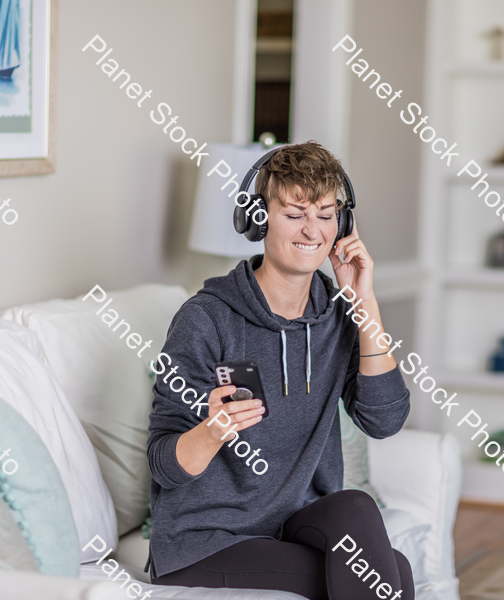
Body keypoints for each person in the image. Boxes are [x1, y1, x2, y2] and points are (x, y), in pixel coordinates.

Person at [146, 141, 413, 600]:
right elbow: (164, 464)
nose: (313, 230)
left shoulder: (338, 313)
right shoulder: (205, 319)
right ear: (258, 219)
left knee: (357, 511)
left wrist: (364, 303)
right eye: (295, 214)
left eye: (326, 214)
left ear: (343, 224)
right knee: (390, 576)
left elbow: (383, 420)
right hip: (206, 540)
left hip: (291, 524)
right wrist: (214, 430)